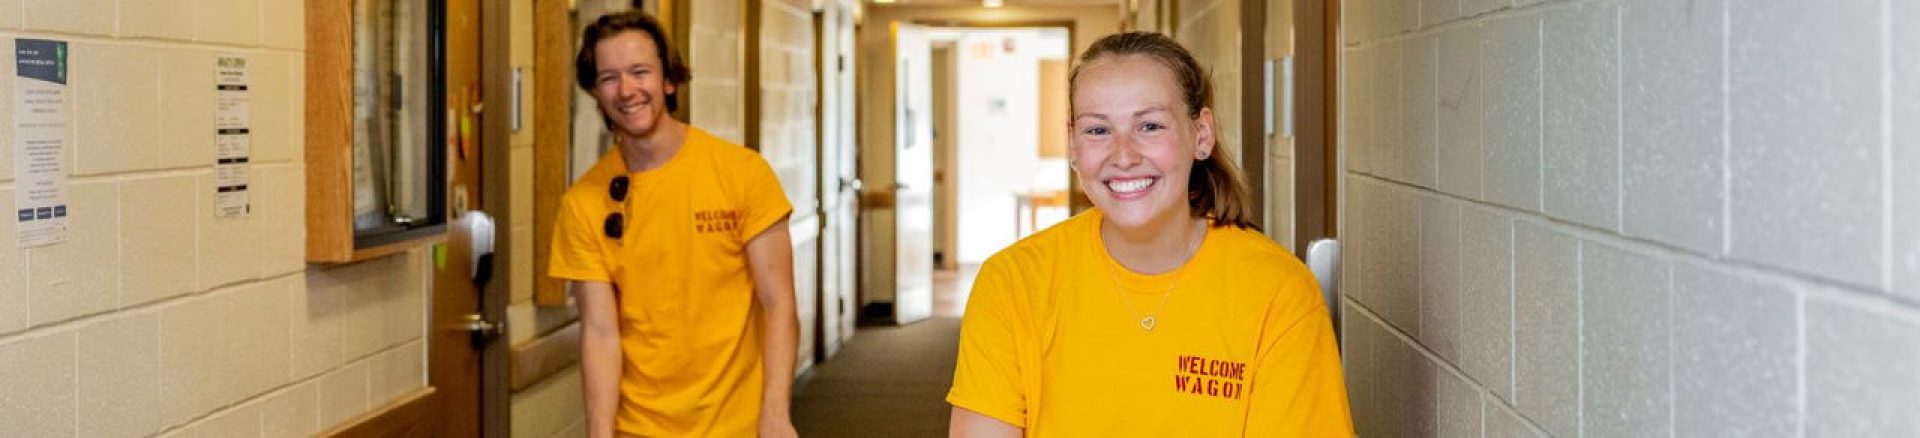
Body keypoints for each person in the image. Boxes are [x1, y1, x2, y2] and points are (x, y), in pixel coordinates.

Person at [946, 31, 1353, 437]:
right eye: (1098, 131)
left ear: (1202, 135)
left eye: (1150, 126)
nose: (1123, 155)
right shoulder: (1013, 283)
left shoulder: (1278, 291)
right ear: (1072, 143)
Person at [549, 11, 799, 438]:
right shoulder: (584, 203)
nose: (626, 90)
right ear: (595, 92)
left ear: (668, 80)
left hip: (737, 426)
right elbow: (600, 333)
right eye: (609, 77)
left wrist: (775, 414)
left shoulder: (741, 172)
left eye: (639, 72)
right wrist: (599, 432)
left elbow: (779, 303)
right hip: (639, 429)